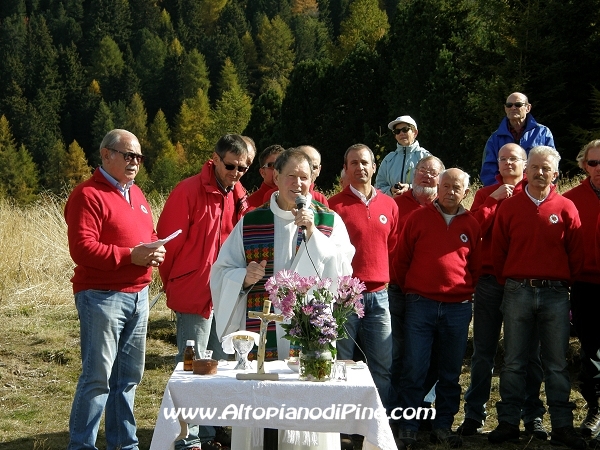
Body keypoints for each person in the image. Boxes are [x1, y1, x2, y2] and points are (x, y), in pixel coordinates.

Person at [210, 147, 354, 450]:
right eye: (291, 176)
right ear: (276, 177)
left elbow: (341, 273)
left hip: (310, 333)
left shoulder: (328, 222)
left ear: (313, 178)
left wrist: (313, 233)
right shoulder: (251, 222)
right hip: (265, 330)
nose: (298, 184)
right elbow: (221, 271)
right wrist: (243, 277)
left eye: (305, 177)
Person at [65, 129, 165, 450]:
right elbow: (82, 249)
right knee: (97, 379)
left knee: (128, 378)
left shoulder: (137, 195)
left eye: (139, 157)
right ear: (106, 154)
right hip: (101, 296)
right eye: (128, 155)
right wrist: (130, 255)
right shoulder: (87, 195)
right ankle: (82, 446)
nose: (135, 162)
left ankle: (124, 444)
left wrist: (155, 250)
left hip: (139, 296)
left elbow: (147, 234)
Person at [156, 133, 251, 449]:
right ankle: (188, 438)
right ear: (215, 158)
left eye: (242, 168)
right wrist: (176, 284)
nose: (236, 173)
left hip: (226, 296)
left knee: (218, 366)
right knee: (192, 368)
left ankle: (209, 433)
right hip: (193, 293)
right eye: (231, 166)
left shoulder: (239, 195)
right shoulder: (187, 191)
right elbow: (167, 246)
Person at [489, 146, 585, 449]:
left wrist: (560, 281)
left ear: (555, 173)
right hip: (517, 290)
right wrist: (514, 281)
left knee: (556, 364)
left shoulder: (566, 208)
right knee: (515, 361)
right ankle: (507, 423)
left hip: (555, 294)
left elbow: (577, 254)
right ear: (526, 170)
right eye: (535, 167)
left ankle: (562, 426)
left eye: (546, 168)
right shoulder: (510, 207)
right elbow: (498, 252)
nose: (540, 172)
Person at [457, 143, 546, 438]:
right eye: (503, 158)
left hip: (521, 283)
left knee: (527, 353)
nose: (508, 163)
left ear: (525, 164)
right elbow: (472, 230)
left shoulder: (531, 192)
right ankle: (474, 415)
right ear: (497, 164)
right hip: (489, 282)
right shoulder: (485, 194)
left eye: (514, 159)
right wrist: (493, 200)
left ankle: (531, 415)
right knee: (483, 351)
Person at [395, 168, 481, 448]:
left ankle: (443, 424)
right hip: (421, 304)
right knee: (414, 368)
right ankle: (408, 425)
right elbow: (401, 260)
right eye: (445, 186)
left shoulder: (472, 224)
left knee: (450, 371)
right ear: (437, 188)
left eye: (456, 187)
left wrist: (463, 291)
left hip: (457, 307)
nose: (450, 191)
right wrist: (414, 290)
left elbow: (476, 266)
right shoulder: (417, 218)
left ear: (465, 192)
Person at [329, 144, 398, 410]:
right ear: (345, 169)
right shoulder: (335, 206)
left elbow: (391, 246)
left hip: (379, 296)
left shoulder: (389, 205)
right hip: (345, 296)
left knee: (382, 365)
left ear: (374, 167)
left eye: (365, 163)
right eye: (354, 163)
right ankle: (344, 427)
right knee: (342, 363)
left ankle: (379, 426)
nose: (360, 168)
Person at [387, 155, 445, 433]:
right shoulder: (396, 205)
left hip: (434, 296)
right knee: (402, 354)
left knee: (433, 355)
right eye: (421, 170)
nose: (425, 175)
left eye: (432, 172)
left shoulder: (447, 208)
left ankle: (424, 407)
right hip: (399, 291)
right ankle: (400, 411)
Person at [563, 139, 600, 445]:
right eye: (593, 163)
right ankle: (595, 409)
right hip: (586, 286)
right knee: (592, 351)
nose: (598, 169)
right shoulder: (571, 200)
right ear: (583, 165)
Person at [480, 92, 555, 186]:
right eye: (509, 105)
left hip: (535, 189)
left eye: (518, 105)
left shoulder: (543, 133)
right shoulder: (495, 138)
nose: (513, 108)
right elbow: (489, 170)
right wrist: (499, 190)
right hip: (505, 191)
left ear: (528, 108)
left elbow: (552, 164)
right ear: (505, 108)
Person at [375, 115, 430, 197]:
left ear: (415, 132)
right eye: (397, 131)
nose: (401, 133)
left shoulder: (426, 157)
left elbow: (434, 185)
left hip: (418, 208)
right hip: (393, 208)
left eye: (405, 130)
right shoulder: (388, 159)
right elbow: (378, 188)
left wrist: (410, 188)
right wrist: (390, 190)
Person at [247, 144, 285, 209]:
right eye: (272, 165)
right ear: (262, 172)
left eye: (283, 165)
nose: (278, 170)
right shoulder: (250, 203)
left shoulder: (295, 197)